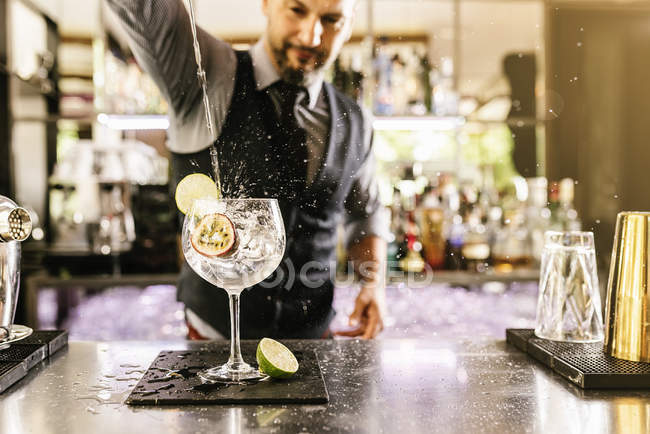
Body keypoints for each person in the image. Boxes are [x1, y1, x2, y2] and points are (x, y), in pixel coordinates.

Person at [106, 0, 388, 339]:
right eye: (297, 10)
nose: (312, 36)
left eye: (331, 20)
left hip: (315, 343)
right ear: (267, 3)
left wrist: (375, 284)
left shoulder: (356, 121)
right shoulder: (203, 74)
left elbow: (364, 214)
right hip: (215, 347)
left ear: (350, 22)